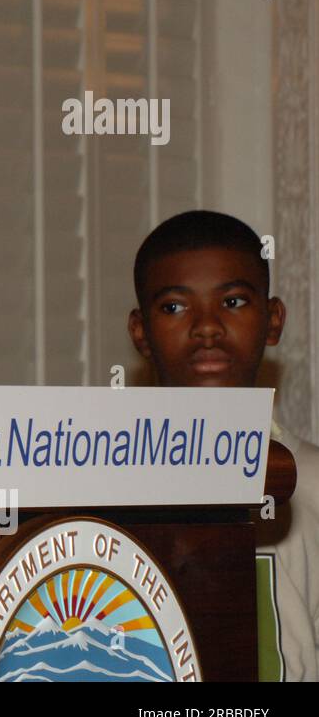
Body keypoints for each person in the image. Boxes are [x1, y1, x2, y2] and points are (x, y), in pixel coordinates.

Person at [127, 210, 319, 680]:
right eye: (175, 306)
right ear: (140, 333)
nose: (207, 327)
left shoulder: (313, 483)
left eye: (232, 302)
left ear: (273, 321)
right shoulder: (102, 482)